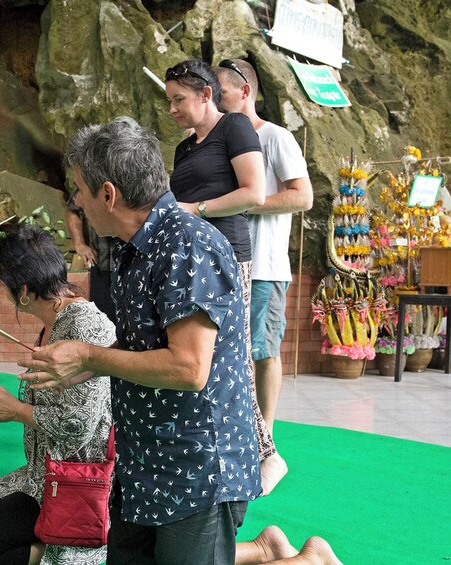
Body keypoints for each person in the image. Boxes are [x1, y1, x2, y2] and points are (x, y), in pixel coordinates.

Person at [23, 116, 260, 565]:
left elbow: (189, 369)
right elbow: (141, 351)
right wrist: (82, 366)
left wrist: (90, 355)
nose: (76, 201)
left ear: (108, 194)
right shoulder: (135, 247)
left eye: (79, 190)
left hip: (197, 467)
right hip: (145, 461)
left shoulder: (187, 245)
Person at [0, 223, 115, 565]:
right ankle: (60, 543)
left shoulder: (83, 325)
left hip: (76, 474)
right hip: (42, 469)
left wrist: (14, 409)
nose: (2, 291)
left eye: (3, 284)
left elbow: (79, 427)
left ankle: (76, 549)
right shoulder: (55, 321)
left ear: (24, 290)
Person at [164, 58, 280, 492]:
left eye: (179, 99)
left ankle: (267, 454)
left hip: (230, 258)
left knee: (234, 360)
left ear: (206, 94)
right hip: (192, 261)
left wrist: (196, 209)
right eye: (169, 100)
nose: (172, 109)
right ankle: (230, 453)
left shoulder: (235, 128)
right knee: (205, 361)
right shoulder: (184, 148)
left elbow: (254, 193)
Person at [216, 58, 314, 491]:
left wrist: (246, 201)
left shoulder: (275, 137)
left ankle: (267, 437)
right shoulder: (219, 142)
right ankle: (237, 433)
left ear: (245, 92)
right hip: (227, 265)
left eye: (220, 92)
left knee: (262, 350)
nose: (215, 99)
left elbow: (303, 196)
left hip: (267, 266)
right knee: (229, 353)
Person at [66, 192, 115, 321]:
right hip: (100, 266)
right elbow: (73, 208)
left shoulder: (136, 179)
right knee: (102, 324)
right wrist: (79, 244)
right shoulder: (92, 178)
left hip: (131, 268)